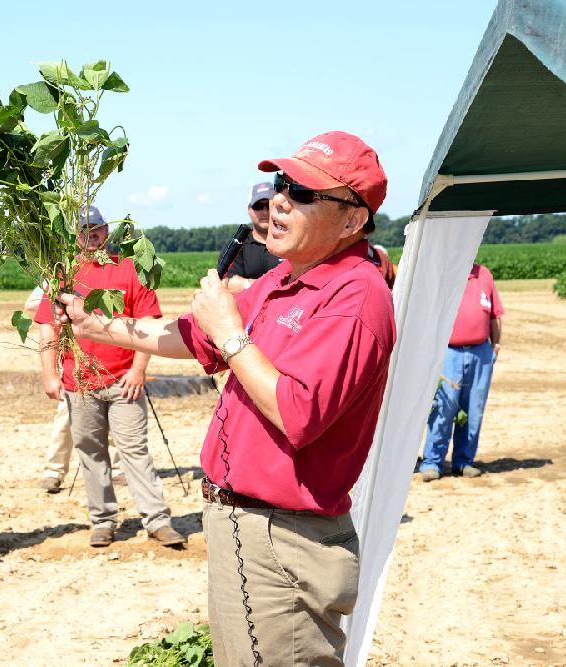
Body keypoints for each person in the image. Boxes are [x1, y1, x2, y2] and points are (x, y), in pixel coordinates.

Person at [52, 132, 396, 665]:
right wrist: (92, 323)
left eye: (304, 194)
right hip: (244, 525)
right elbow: (189, 336)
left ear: (353, 220)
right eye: (283, 184)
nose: (280, 201)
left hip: (284, 539)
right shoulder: (285, 279)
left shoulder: (355, 295)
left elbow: (296, 412)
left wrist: (232, 332)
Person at [34, 205, 186, 548]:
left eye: (98, 228)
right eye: (85, 229)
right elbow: (46, 329)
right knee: (91, 452)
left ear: (106, 230)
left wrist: (139, 368)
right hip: (80, 381)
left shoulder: (129, 269)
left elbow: (147, 325)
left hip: (123, 379)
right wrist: (49, 375)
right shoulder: (64, 274)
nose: (93, 235)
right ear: (76, 235)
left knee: (134, 450)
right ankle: (102, 520)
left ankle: (157, 521)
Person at [23, 286, 126, 494]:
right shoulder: (59, 274)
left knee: (118, 416)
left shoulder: (117, 271)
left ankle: (118, 468)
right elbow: (31, 306)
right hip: (76, 359)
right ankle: (55, 470)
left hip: (111, 357)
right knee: (65, 415)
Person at [419, 263, 504, 481]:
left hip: (480, 352)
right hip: (448, 352)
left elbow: (495, 314)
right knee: (443, 408)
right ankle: (432, 462)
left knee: (473, 410)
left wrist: (495, 346)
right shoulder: (444, 272)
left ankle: (463, 461)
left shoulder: (484, 274)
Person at [224, 182, 283, 293]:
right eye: (258, 206)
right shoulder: (237, 246)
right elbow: (228, 284)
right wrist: (271, 285)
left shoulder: (291, 243)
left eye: (269, 205)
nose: (265, 212)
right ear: (249, 210)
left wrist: (247, 284)